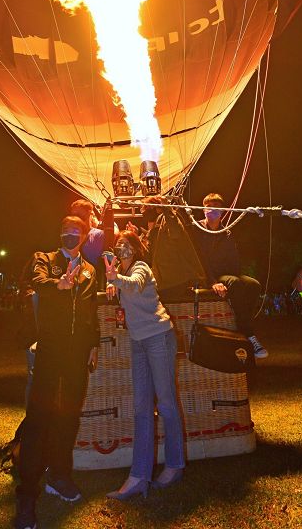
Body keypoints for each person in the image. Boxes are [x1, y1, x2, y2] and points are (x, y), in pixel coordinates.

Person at [13, 216, 100, 529]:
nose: (69, 234)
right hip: (49, 350)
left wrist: (94, 343)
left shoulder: (90, 270)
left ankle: (59, 475)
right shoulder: (44, 260)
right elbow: (36, 282)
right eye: (64, 230)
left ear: (84, 235)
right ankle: (27, 496)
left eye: (75, 231)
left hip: (77, 354)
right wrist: (58, 283)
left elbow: (91, 310)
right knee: (39, 418)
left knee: (69, 415)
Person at [104, 231, 185, 499]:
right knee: (141, 408)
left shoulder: (142, 268)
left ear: (136, 249)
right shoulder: (119, 272)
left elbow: (136, 284)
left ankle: (175, 465)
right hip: (138, 341)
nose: (122, 248)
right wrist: (113, 282)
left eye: (127, 245)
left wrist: (116, 279)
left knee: (166, 403)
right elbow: (125, 287)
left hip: (159, 338)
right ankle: (139, 475)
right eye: (119, 245)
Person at [193, 193, 268, 359]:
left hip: (227, 273)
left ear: (222, 211)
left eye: (216, 209)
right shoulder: (197, 229)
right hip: (210, 275)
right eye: (209, 208)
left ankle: (242, 319)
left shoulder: (226, 232)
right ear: (203, 209)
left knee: (254, 284)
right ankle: (248, 332)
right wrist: (212, 282)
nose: (212, 212)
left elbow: (233, 259)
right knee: (234, 283)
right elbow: (200, 259)